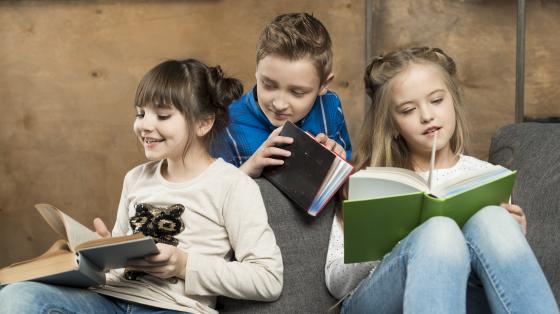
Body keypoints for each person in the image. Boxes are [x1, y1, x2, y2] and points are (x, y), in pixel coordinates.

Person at [0, 59, 283, 314]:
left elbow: (268, 279)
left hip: (174, 308)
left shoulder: (233, 185)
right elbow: (117, 269)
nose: (144, 126)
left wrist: (185, 265)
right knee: (18, 296)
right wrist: (101, 251)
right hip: (112, 299)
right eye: (140, 113)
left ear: (203, 123)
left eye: (162, 116)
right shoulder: (135, 178)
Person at [325, 47, 559, 313]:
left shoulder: (486, 174)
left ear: (453, 102)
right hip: (376, 300)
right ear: (391, 125)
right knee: (439, 231)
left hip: (465, 298)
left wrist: (513, 231)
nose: (427, 115)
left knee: (494, 220)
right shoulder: (372, 179)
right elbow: (335, 281)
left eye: (436, 100)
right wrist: (391, 240)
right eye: (408, 109)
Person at [211, 12, 352, 177]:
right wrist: (249, 168)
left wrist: (339, 162)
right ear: (257, 71)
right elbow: (213, 194)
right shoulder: (228, 121)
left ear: (324, 85)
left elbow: (347, 178)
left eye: (297, 92)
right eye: (269, 85)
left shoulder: (330, 107)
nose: (279, 104)